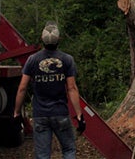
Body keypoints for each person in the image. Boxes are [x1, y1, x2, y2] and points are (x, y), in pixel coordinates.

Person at [14, 21, 83, 159]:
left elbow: (22, 88)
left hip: (40, 115)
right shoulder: (67, 60)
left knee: (42, 155)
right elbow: (71, 88)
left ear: (42, 40)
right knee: (69, 150)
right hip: (60, 113)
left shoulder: (32, 60)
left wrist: (16, 112)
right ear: (59, 40)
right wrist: (79, 115)